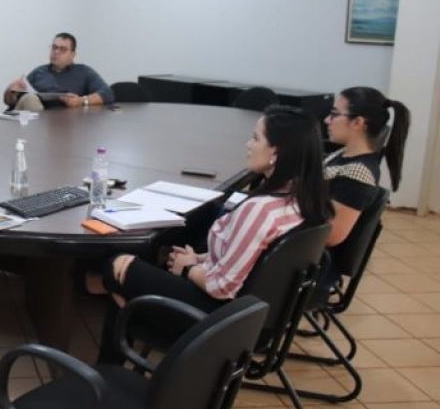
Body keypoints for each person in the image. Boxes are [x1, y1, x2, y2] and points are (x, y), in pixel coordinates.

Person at [86, 105, 332, 362]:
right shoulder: (305, 201)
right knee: (143, 267)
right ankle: (117, 351)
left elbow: (222, 287)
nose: (248, 144)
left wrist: (187, 269)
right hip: (257, 318)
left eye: (256, 138)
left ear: (276, 153)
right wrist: (200, 260)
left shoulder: (260, 210)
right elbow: (251, 259)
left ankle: (110, 362)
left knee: (118, 265)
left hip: (219, 320)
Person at [323, 86, 410, 248]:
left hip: (312, 261)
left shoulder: (358, 173)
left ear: (358, 122)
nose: (327, 120)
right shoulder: (342, 154)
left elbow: (332, 235)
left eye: (334, 114)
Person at [2, 33, 114, 111]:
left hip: (66, 123)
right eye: (54, 47)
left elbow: (107, 94)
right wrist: (11, 92)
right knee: (29, 98)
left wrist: (81, 101)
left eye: (62, 49)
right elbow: (12, 102)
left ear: (73, 55)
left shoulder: (83, 72)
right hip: (36, 122)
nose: (56, 52)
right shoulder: (39, 72)